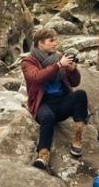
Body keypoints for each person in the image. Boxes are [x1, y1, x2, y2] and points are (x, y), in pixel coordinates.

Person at [21, 28, 89, 169]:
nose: (55, 43)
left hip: (62, 102)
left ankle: (77, 139)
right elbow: (36, 77)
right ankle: (43, 154)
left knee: (80, 94)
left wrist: (72, 70)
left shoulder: (59, 57)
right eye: (51, 41)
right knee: (48, 117)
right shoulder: (28, 62)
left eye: (55, 40)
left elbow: (75, 83)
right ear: (40, 43)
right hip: (42, 104)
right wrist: (58, 66)